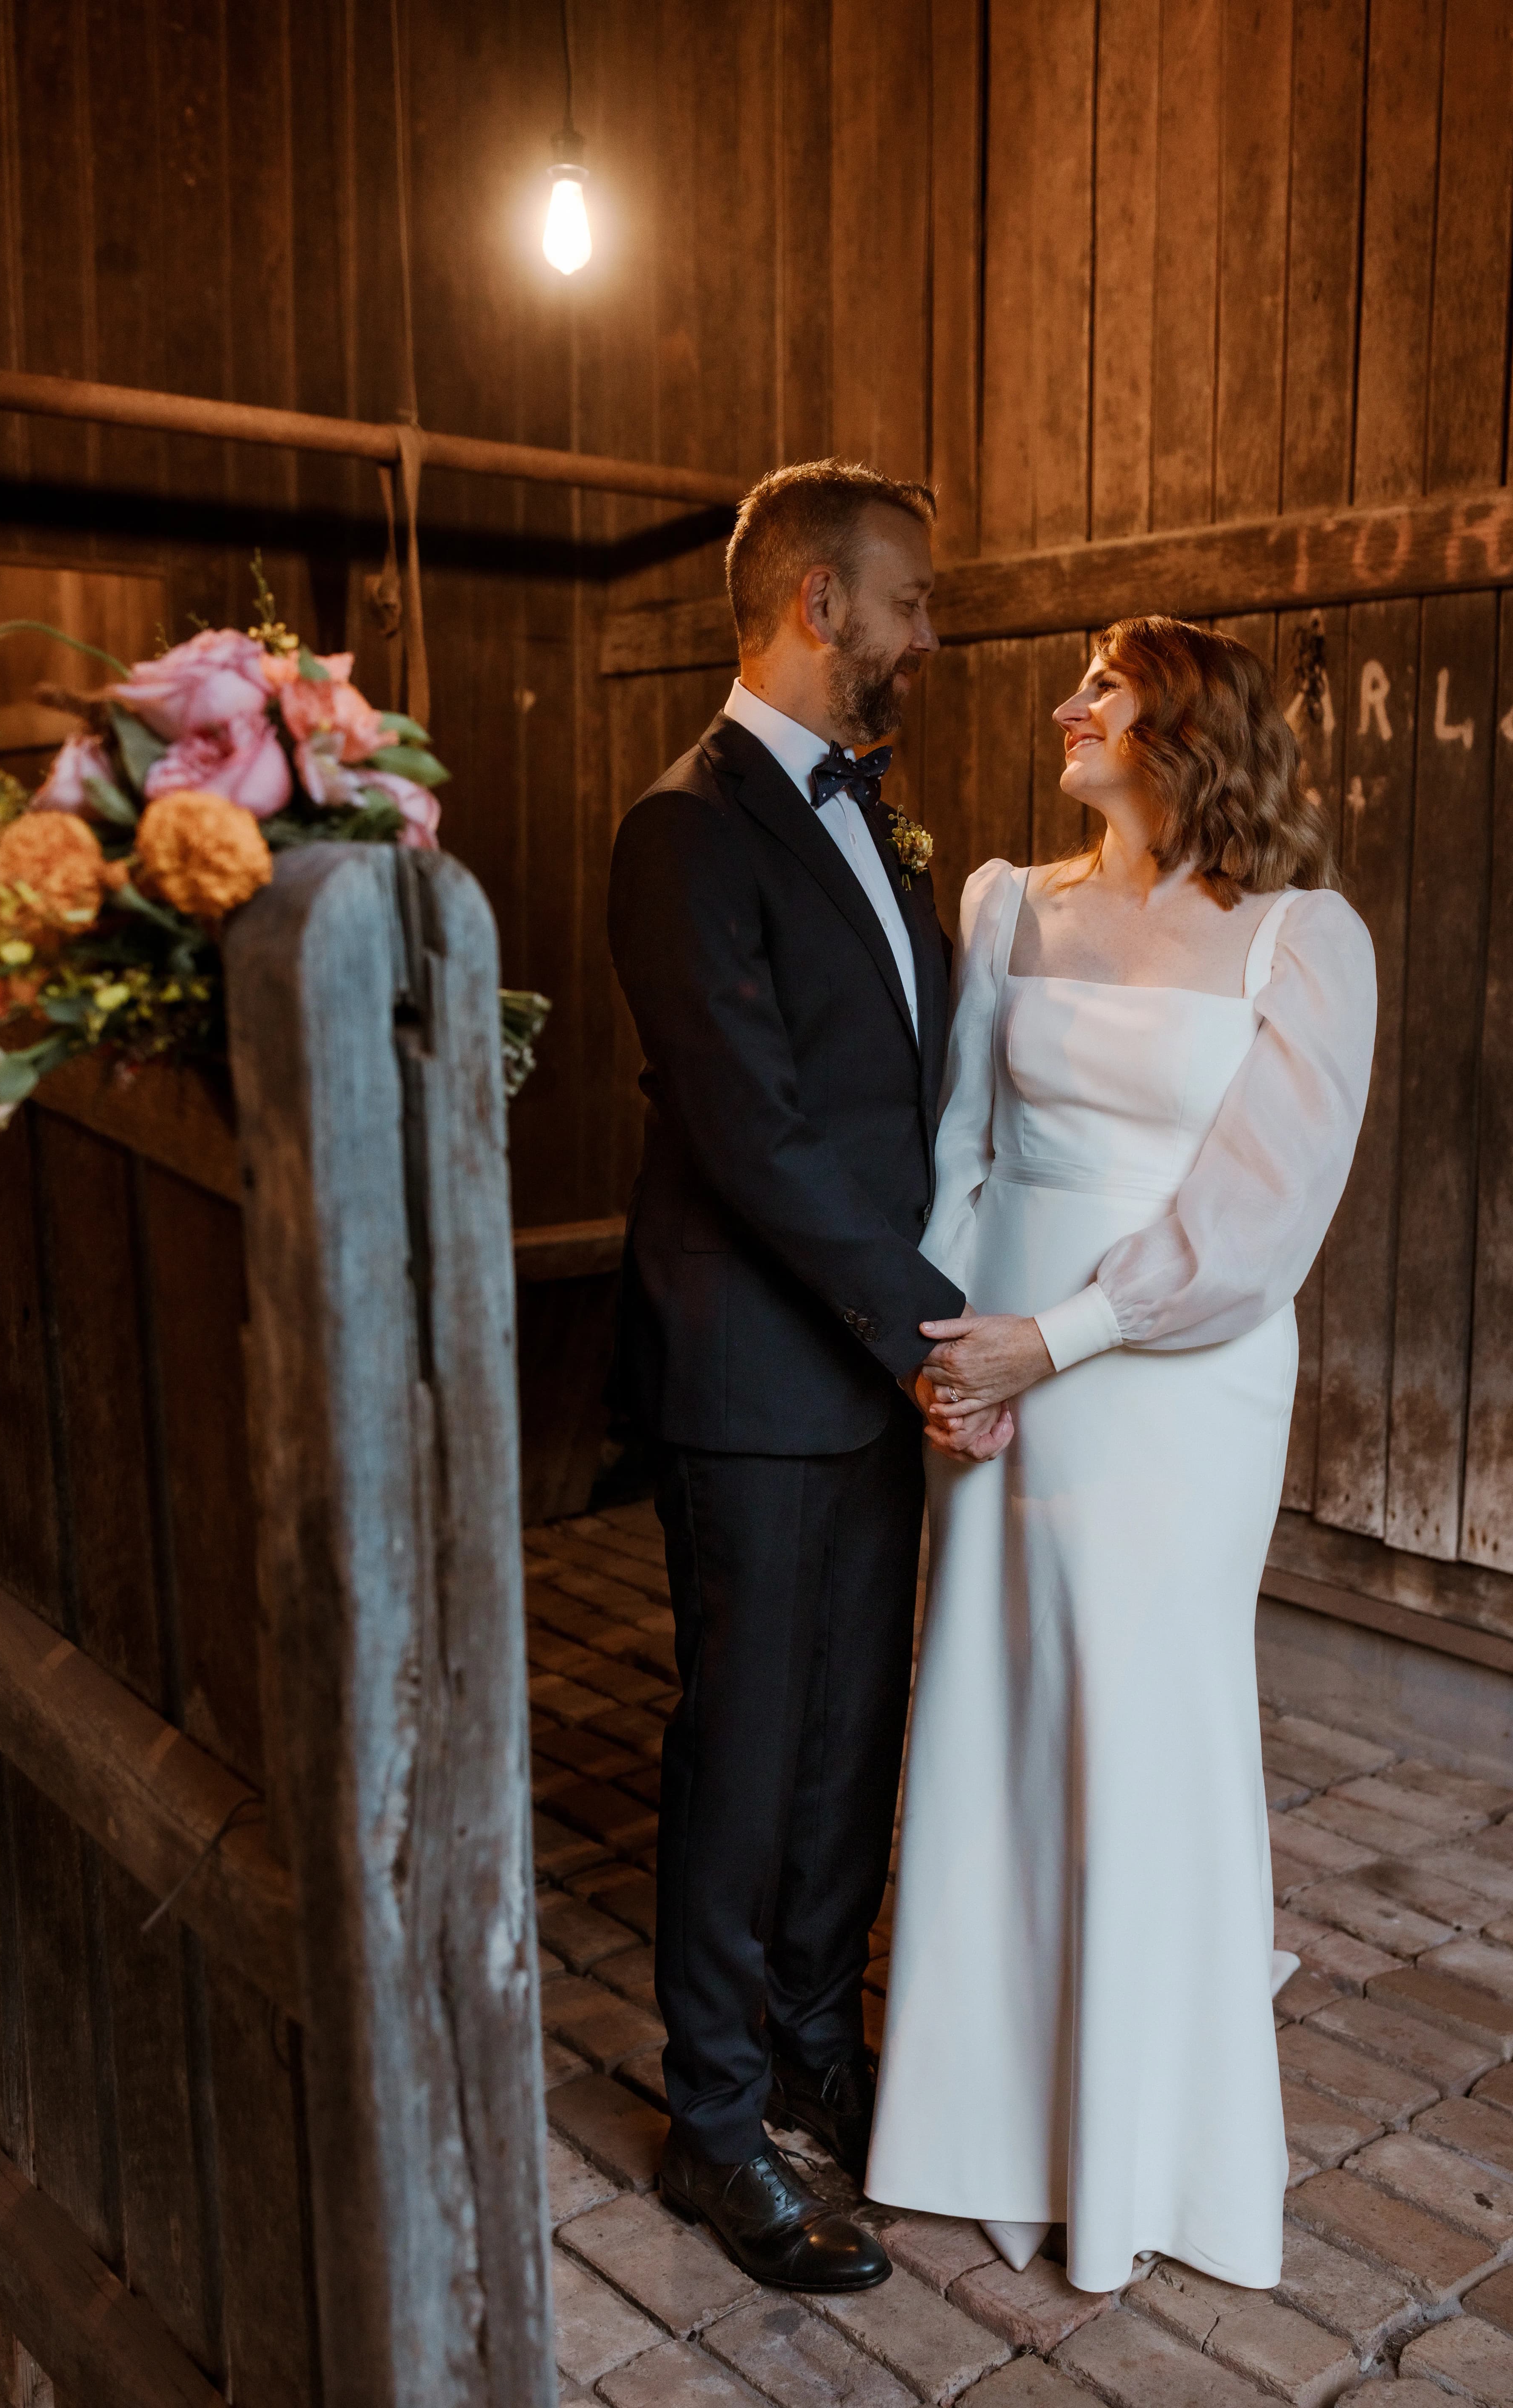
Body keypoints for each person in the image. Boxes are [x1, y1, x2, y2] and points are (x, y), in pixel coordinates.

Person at [865, 616, 1376, 2293]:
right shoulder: (1009, 900)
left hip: (1175, 1377)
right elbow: (968, 1137)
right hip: (995, 1366)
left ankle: (1144, 2148)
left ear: (1191, 722)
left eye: (1106, 679)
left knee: (1141, 1724)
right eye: (1075, 679)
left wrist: (1056, 1338)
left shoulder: (1300, 942)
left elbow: (1257, 1223)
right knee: (989, 1718)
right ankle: (980, 2133)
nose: (1067, 701)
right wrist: (950, 1349)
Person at [607, 460, 965, 2291]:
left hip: (870, 1365)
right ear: (819, 604)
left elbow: (900, 1100)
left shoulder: (881, 825)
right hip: (753, 1369)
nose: (928, 633)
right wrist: (934, 1330)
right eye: (907, 600)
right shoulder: (683, 831)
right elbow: (755, 1135)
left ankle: (823, 2049)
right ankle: (719, 2121)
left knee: (852, 1736)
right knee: (744, 1751)